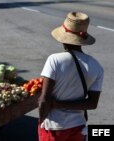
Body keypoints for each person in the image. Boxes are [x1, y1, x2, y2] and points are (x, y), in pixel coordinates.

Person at [38, 12, 104, 141]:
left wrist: (42, 121)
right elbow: (92, 103)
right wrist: (60, 104)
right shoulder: (96, 66)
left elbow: (44, 100)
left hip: (54, 128)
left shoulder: (54, 60)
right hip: (78, 127)